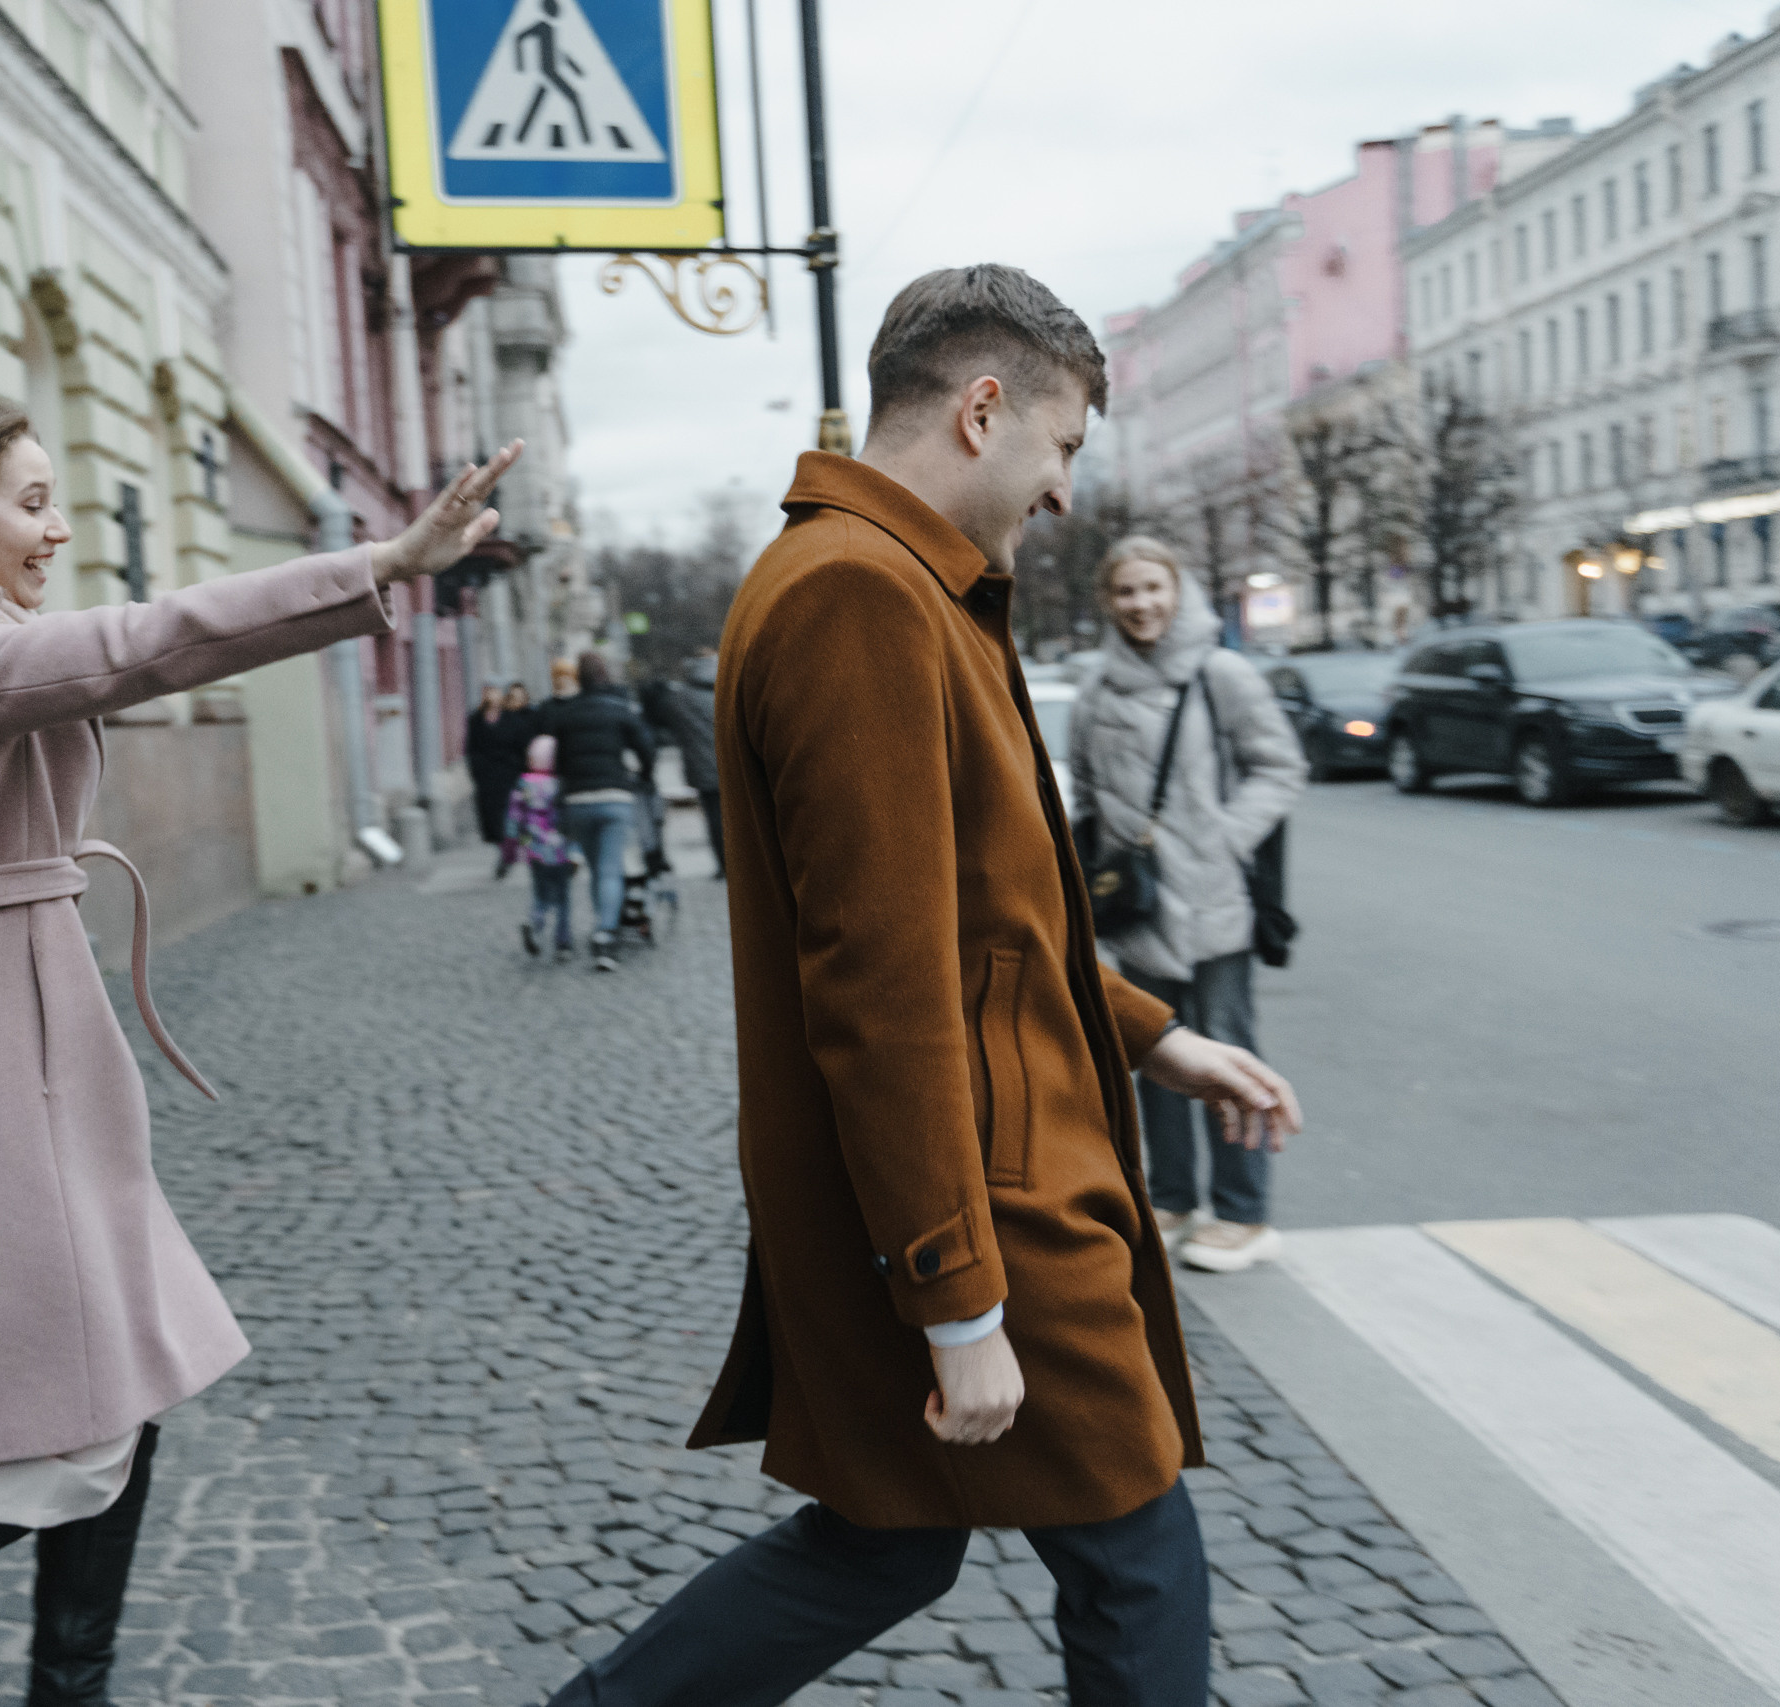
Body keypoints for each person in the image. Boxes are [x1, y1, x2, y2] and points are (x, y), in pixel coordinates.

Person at [0, 390, 520, 1707]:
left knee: (118, 1376)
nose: (56, 529)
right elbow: (144, 642)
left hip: (14, 1022)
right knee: (47, 1409)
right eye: (31, 501)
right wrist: (385, 564)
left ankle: (70, 1686)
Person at [541, 265, 1300, 1707]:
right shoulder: (859, 593)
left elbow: (980, 921)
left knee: (887, 1542)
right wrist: (958, 1301)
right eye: (1063, 444)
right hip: (988, 1192)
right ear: (982, 408)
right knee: (1131, 1539)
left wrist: (1153, 1038)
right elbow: (884, 982)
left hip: (973, 1159)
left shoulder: (891, 579)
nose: (1065, 489)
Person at [1071, 538, 1306, 1273]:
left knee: (1228, 1054)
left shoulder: (1219, 672)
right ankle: (1172, 1199)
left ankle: (1244, 1212)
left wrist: (1223, 838)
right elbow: (1084, 792)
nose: (1141, 603)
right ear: (1108, 602)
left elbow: (1281, 767)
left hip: (1214, 905)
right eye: (1126, 591)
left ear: (1179, 591)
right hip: (1139, 910)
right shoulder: (1097, 687)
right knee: (1153, 1053)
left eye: (1154, 587)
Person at [535, 649, 656, 972]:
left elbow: (558, 762)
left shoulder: (566, 715)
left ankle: (602, 924)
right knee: (611, 869)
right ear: (604, 676)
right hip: (615, 797)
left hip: (578, 802)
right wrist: (644, 775)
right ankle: (605, 933)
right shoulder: (619, 709)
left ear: (578, 678)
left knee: (595, 868)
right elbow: (646, 747)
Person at [646, 652, 724, 877]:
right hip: (734, 765)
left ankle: (725, 865)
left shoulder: (680, 699)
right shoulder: (728, 689)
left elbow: (659, 719)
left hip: (701, 767)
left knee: (714, 816)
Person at [502, 733, 576, 960]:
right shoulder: (560, 784)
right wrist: (576, 849)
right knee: (563, 898)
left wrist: (514, 845)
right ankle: (563, 943)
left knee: (540, 894)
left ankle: (536, 924)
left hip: (534, 848)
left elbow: (514, 818)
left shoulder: (523, 784)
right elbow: (569, 817)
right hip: (561, 850)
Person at [466, 680, 533, 861]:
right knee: (492, 821)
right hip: (487, 778)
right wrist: (477, 771)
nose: (491, 695)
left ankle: (516, 849)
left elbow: (522, 747)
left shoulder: (512, 719)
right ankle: (505, 852)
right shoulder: (476, 719)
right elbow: (471, 748)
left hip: (510, 775)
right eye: (487, 691)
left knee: (515, 815)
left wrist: (521, 771)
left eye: (494, 691)